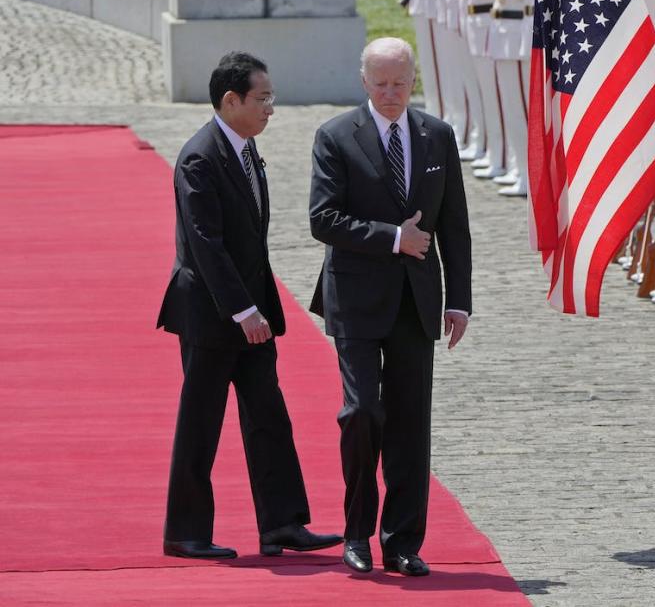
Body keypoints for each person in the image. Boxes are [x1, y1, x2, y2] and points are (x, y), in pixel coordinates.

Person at [157, 52, 341, 560]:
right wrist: (243, 310)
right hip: (213, 317)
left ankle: (282, 524)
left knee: (269, 417)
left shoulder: (245, 148)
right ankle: (185, 532)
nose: (270, 108)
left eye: (270, 98)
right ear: (230, 100)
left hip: (252, 316)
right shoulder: (200, 156)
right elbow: (204, 245)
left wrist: (259, 308)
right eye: (262, 99)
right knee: (201, 423)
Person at [309, 37, 472, 576]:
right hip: (355, 298)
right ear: (363, 81)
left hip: (415, 302)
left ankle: (402, 541)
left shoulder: (437, 136)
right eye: (379, 83)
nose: (389, 93)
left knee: (409, 423)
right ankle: (356, 533)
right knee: (362, 413)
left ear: (413, 79)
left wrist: (461, 301)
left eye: (399, 82)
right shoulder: (336, 136)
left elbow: (454, 225)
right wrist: (390, 238)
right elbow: (323, 219)